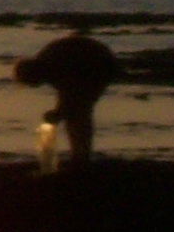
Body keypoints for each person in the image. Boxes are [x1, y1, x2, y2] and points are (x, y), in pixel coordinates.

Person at [13, 24, 123, 169]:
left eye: (32, 83)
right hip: (93, 61)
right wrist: (59, 112)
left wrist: (59, 113)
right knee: (76, 113)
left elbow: (70, 94)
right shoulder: (47, 64)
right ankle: (80, 155)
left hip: (97, 65)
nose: (35, 86)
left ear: (34, 75)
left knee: (80, 112)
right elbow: (66, 95)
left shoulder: (53, 65)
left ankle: (82, 157)